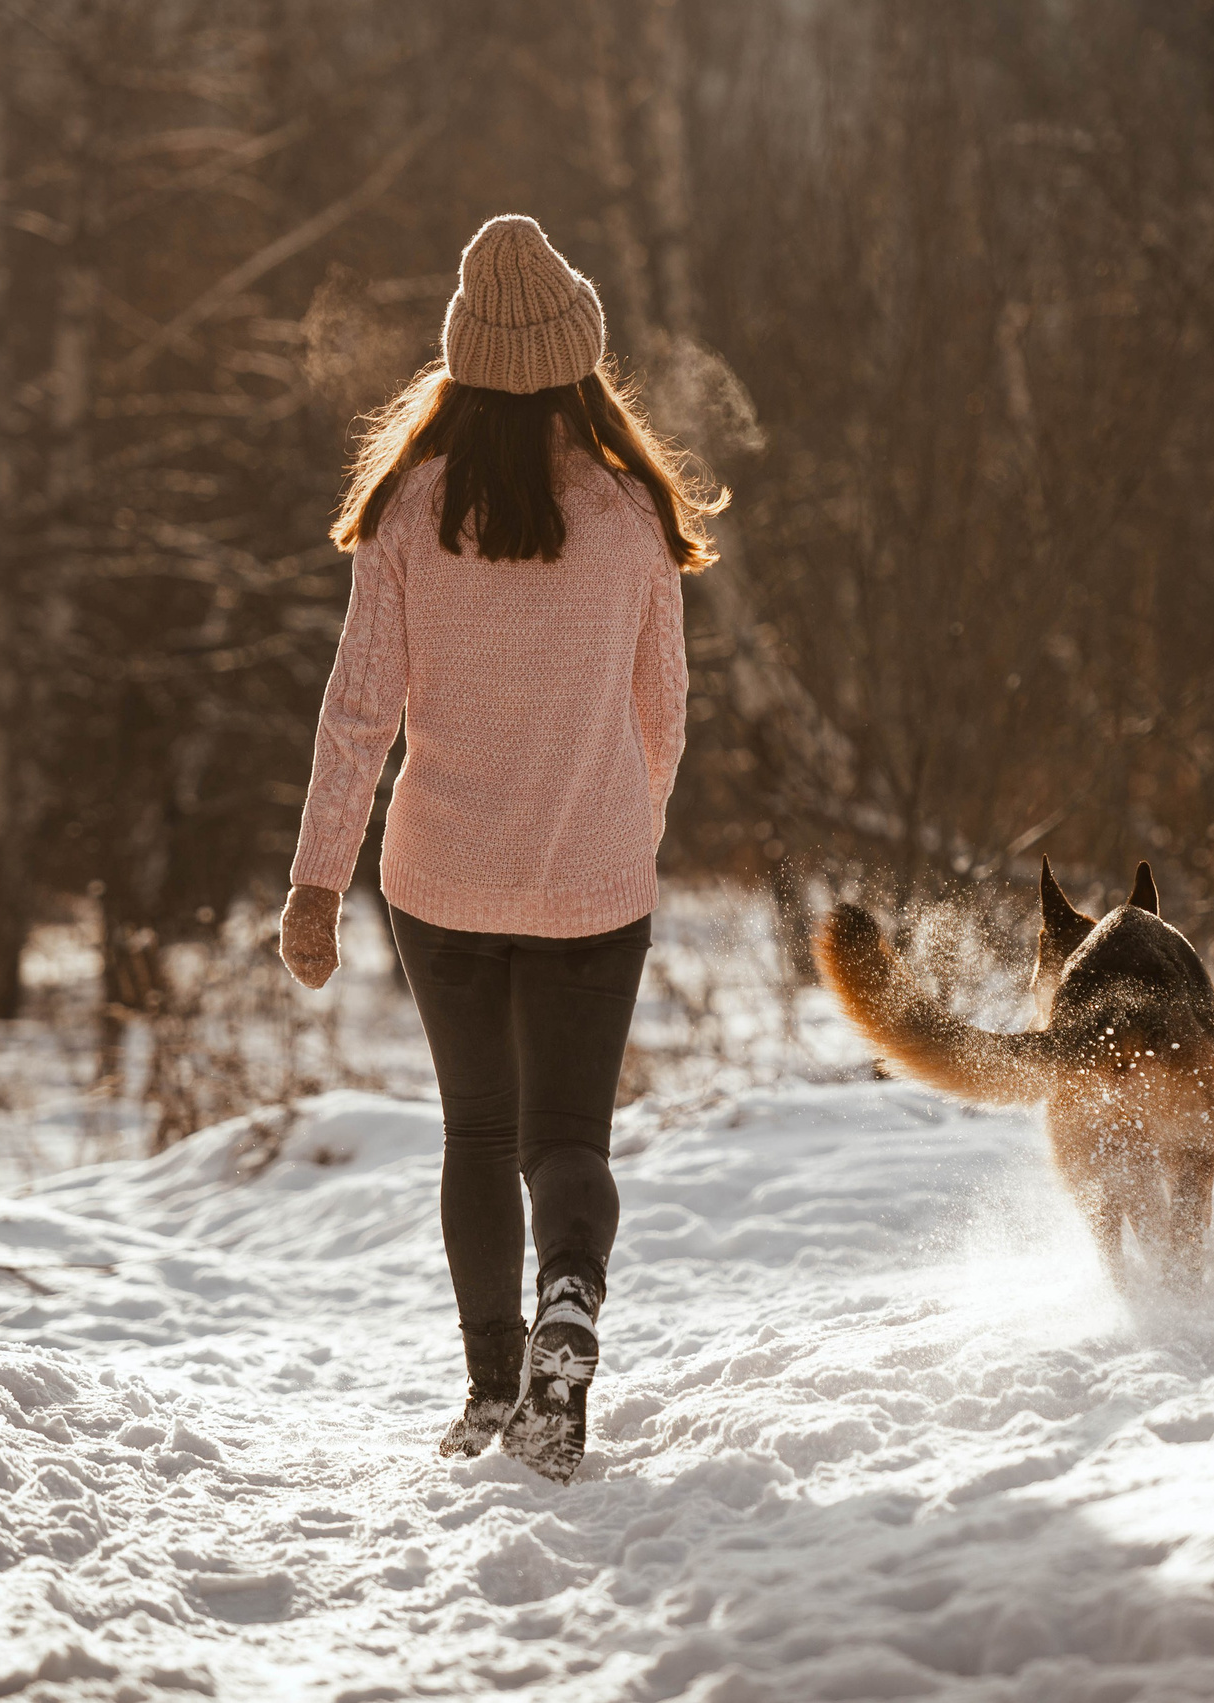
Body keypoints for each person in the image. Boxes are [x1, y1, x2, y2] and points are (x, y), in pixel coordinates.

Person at [275, 215, 720, 1484]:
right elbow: (665, 707)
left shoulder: (410, 508)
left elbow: (356, 710)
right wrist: (627, 827)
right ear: (581, 362)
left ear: (462, 366)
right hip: (593, 878)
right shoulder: (633, 512)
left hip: (441, 879)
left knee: (477, 1134)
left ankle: (489, 1383)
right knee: (566, 1135)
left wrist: (315, 878)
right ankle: (570, 1300)